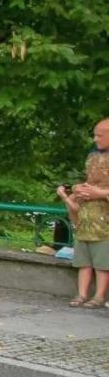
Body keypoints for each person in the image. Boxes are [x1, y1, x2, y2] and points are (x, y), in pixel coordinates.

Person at [58, 118, 109, 307]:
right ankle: (81, 294)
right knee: (84, 263)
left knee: (103, 265)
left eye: (100, 135)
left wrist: (101, 193)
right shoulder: (94, 156)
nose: (95, 139)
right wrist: (74, 192)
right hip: (86, 226)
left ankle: (99, 296)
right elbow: (74, 208)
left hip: (104, 229)